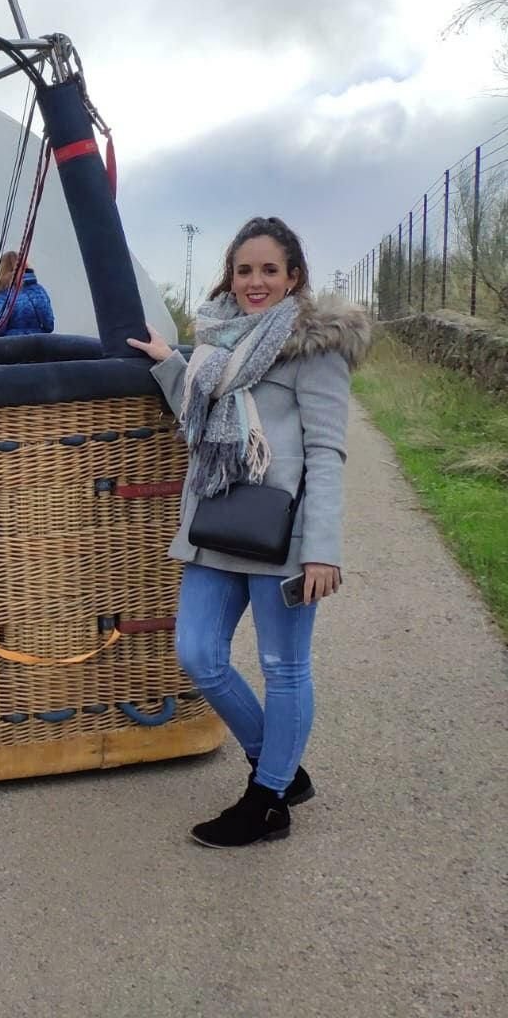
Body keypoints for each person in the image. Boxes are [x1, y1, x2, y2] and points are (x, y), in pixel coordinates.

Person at [127, 216, 369, 848]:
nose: (255, 282)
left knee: (282, 667)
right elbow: (200, 409)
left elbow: (326, 455)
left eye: (269, 270)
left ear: (294, 278)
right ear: (229, 276)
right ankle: (280, 767)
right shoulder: (215, 345)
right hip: (216, 521)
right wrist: (169, 362)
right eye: (244, 270)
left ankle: (267, 801)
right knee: (198, 653)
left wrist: (322, 550)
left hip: (283, 537)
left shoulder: (315, 351)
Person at [0, 250, 56, 335]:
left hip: (12, 345)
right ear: (25, 266)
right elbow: (49, 325)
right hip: (39, 345)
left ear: (2, 270)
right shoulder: (38, 290)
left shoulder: (2, 294)